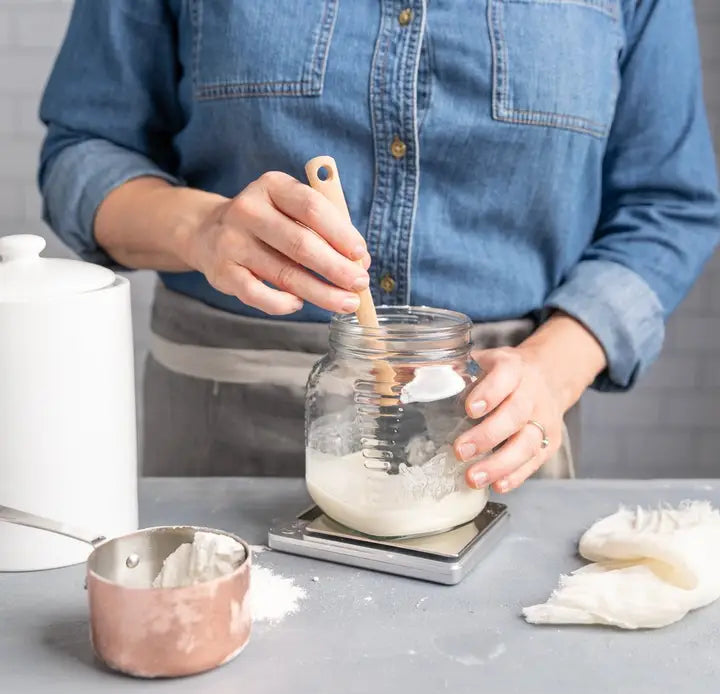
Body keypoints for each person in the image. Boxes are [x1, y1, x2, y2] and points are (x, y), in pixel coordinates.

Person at [38, 1, 719, 491]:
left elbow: (670, 204)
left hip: (496, 427)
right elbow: (84, 152)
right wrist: (201, 227)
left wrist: (554, 366)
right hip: (225, 426)